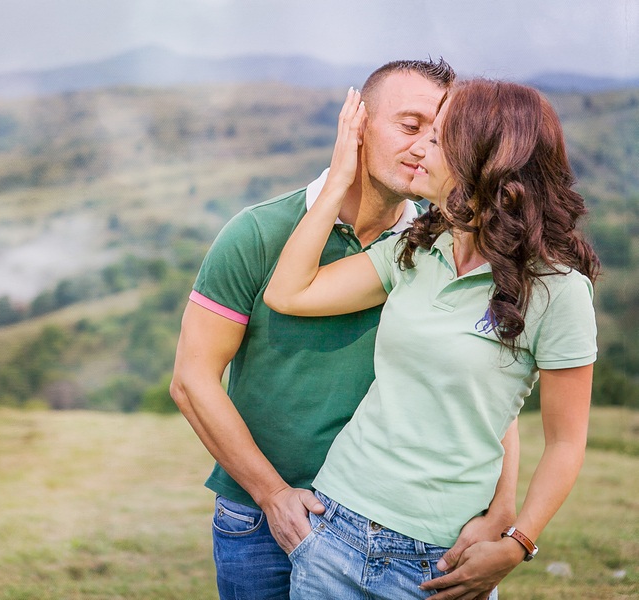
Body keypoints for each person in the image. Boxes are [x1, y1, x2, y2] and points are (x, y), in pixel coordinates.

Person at [170, 59, 520, 600]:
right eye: (409, 126)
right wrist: (272, 495)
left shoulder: (438, 249)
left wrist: (502, 515)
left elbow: (488, 385)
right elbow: (192, 381)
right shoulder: (258, 233)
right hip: (260, 521)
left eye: (440, 134)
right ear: (357, 128)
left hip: (393, 525)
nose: (424, 146)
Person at [263, 79, 599, 599]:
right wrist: (337, 183)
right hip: (334, 528)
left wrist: (518, 541)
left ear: (482, 163)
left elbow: (566, 442)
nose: (421, 150)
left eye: (439, 140)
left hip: (438, 562)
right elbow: (289, 293)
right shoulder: (417, 250)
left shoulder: (559, 292)